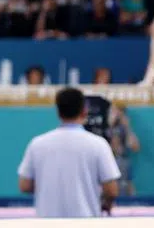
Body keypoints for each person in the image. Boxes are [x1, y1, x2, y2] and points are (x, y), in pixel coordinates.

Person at [17, 87, 121, 218]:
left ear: (58, 112)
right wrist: (106, 204)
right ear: (84, 111)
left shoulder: (37, 144)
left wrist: (49, 186)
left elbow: (25, 185)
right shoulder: (98, 145)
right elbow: (111, 190)